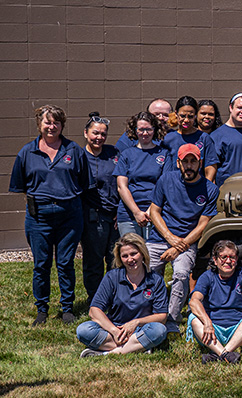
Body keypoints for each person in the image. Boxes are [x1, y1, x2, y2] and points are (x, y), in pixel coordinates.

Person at [10, 104, 94, 325]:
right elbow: (20, 185)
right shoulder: (27, 152)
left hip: (69, 216)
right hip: (39, 218)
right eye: (47, 121)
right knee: (41, 264)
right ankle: (42, 309)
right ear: (39, 124)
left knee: (66, 262)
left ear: (62, 125)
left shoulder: (74, 150)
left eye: (56, 122)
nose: (51, 126)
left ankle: (67, 308)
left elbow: (85, 183)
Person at [147, 143, 219, 332]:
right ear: (178, 163)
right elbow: (155, 211)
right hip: (159, 238)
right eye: (185, 161)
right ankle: (150, 315)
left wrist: (179, 246)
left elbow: (203, 225)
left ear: (200, 163)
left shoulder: (210, 189)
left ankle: (172, 319)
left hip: (187, 242)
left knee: (181, 275)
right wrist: (169, 238)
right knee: (148, 273)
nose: (189, 166)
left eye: (193, 162)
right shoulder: (166, 179)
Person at [75, 233, 168, 357]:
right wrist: (114, 331)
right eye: (125, 256)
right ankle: (136, 347)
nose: (130, 259)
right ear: (120, 258)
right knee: (83, 330)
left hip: (141, 329)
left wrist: (136, 322)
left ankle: (109, 353)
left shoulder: (156, 280)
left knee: (159, 331)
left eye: (134, 253)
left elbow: (161, 316)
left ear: (142, 253)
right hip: (113, 328)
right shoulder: (112, 277)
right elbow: (94, 310)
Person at [187, 240, 242, 364]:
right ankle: (226, 355)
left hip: (237, 330)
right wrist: (207, 322)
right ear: (215, 260)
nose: (228, 261)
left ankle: (220, 354)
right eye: (223, 257)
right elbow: (194, 301)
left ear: (236, 260)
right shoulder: (207, 276)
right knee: (194, 318)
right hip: (212, 330)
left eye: (232, 257)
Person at [80, 112, 120, 303]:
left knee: (115, 261)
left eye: (103, 134)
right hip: (93, 217)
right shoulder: (79, 157)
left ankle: (113, 297)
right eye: (95, 133)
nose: (99, 138)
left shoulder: (113, 153)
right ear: (86, 133)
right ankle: (95, 299)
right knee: (93, 261)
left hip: (115, 216)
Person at [113, 111, 168, 239]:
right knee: (131, 254)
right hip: (128, 215)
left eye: (148, 129)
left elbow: (165, 186)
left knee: (152, 257)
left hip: (156, 213)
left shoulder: (164, 154)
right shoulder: (126, 154)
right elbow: (122, 187)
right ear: (135, 130)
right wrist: (137, 212)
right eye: (141, 129)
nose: (144, 133)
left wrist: (151, 211)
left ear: (154, 130)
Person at [161, 96, 219, 182]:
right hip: (174, 186)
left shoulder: (204, 138)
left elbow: (211, 165)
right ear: (176, 114)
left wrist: (206, 185)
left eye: (190, 116)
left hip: (197, 187)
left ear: (196, 115)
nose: (186, 120)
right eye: (183, 116)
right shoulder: (168, 138)